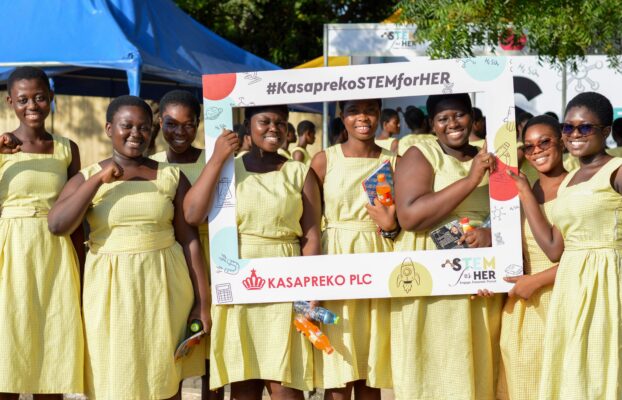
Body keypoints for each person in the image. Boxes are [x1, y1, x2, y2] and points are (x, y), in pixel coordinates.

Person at [47, 95, 211, 400]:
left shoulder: (170, 176)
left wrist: (202, 302)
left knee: (164, 377)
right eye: (127, 126)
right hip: (110, 291)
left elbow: (189, 240)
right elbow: (57, 224)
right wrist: (99, 179)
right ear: (109, 128)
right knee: (114, 375)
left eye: (144, 127)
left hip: (165, 287)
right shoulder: (89, 177)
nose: (136, 133)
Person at [184, 104, 321, 400]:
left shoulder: (300, 172)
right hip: (238, 280)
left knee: (286, 385)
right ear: (248, 125)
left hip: (286, 283)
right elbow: (193, 214)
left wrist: (311, 294)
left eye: (281, 123)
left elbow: (311, 237)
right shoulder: (230, 169)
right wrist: (219, 158)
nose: (274, 128)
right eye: (265, 121)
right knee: (244, 386)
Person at [513, 92, 622, 399]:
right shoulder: (571, 179)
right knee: (577, 370)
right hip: (572, 285)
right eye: (568, 127)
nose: (575, 134)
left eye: (585, 128)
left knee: (605, 367)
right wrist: (523, 190)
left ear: (605, 131)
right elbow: (551, 247)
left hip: (609, 281)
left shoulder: (616, 170)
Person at [391, 93, 499, 400]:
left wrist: (490, 234)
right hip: (433, 269)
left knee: (476, 358)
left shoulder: (488, 154)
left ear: (473, 118)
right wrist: (470, 179)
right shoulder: (420, 152)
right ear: (432, 124)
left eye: (459, 115)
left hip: (480, 271)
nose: (453, 124)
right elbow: (411, 216)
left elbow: (509, 208)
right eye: (443, 118)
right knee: (436, 360)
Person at [0, 66, 83, 400]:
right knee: (8, 346)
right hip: (10, 254)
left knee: (53, 349)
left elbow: (78, 212)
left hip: (55, 256)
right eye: (23, 99)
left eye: (39, 97)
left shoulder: (67, 149)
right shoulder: (2, 145)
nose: (31, 105)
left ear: (51, 98)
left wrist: (83, 267)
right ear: (10, 102)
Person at [310, 98, 397, 400]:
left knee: (372, 364)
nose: (363, 118)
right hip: (335, 257)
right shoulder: (325, 160)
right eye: (354, 111)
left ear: (379, 114)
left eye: (370, 110)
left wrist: (391, 225)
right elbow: (308, 220)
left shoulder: (393, 160)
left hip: (378, 256)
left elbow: (400, 218)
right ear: (341, 116)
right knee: (339, 360)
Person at [150, 89, 224, 400]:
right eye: (171, 124)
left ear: (199, 124)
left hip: (219, 258)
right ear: (159, 122)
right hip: (175, 264)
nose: (180, 132)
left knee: (214, 357)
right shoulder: (150, 165)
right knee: (179, 347)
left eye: (189, 124)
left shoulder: (217, 160)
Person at [498, 115, 566, 400]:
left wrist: (535, 281)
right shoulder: (524, 187)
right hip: (523, 304)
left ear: (562, 142)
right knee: (523, 384)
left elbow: (573, 255)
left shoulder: (575, 187)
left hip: (561, 297)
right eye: (529, 147)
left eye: (544, 142)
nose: (536, 151)